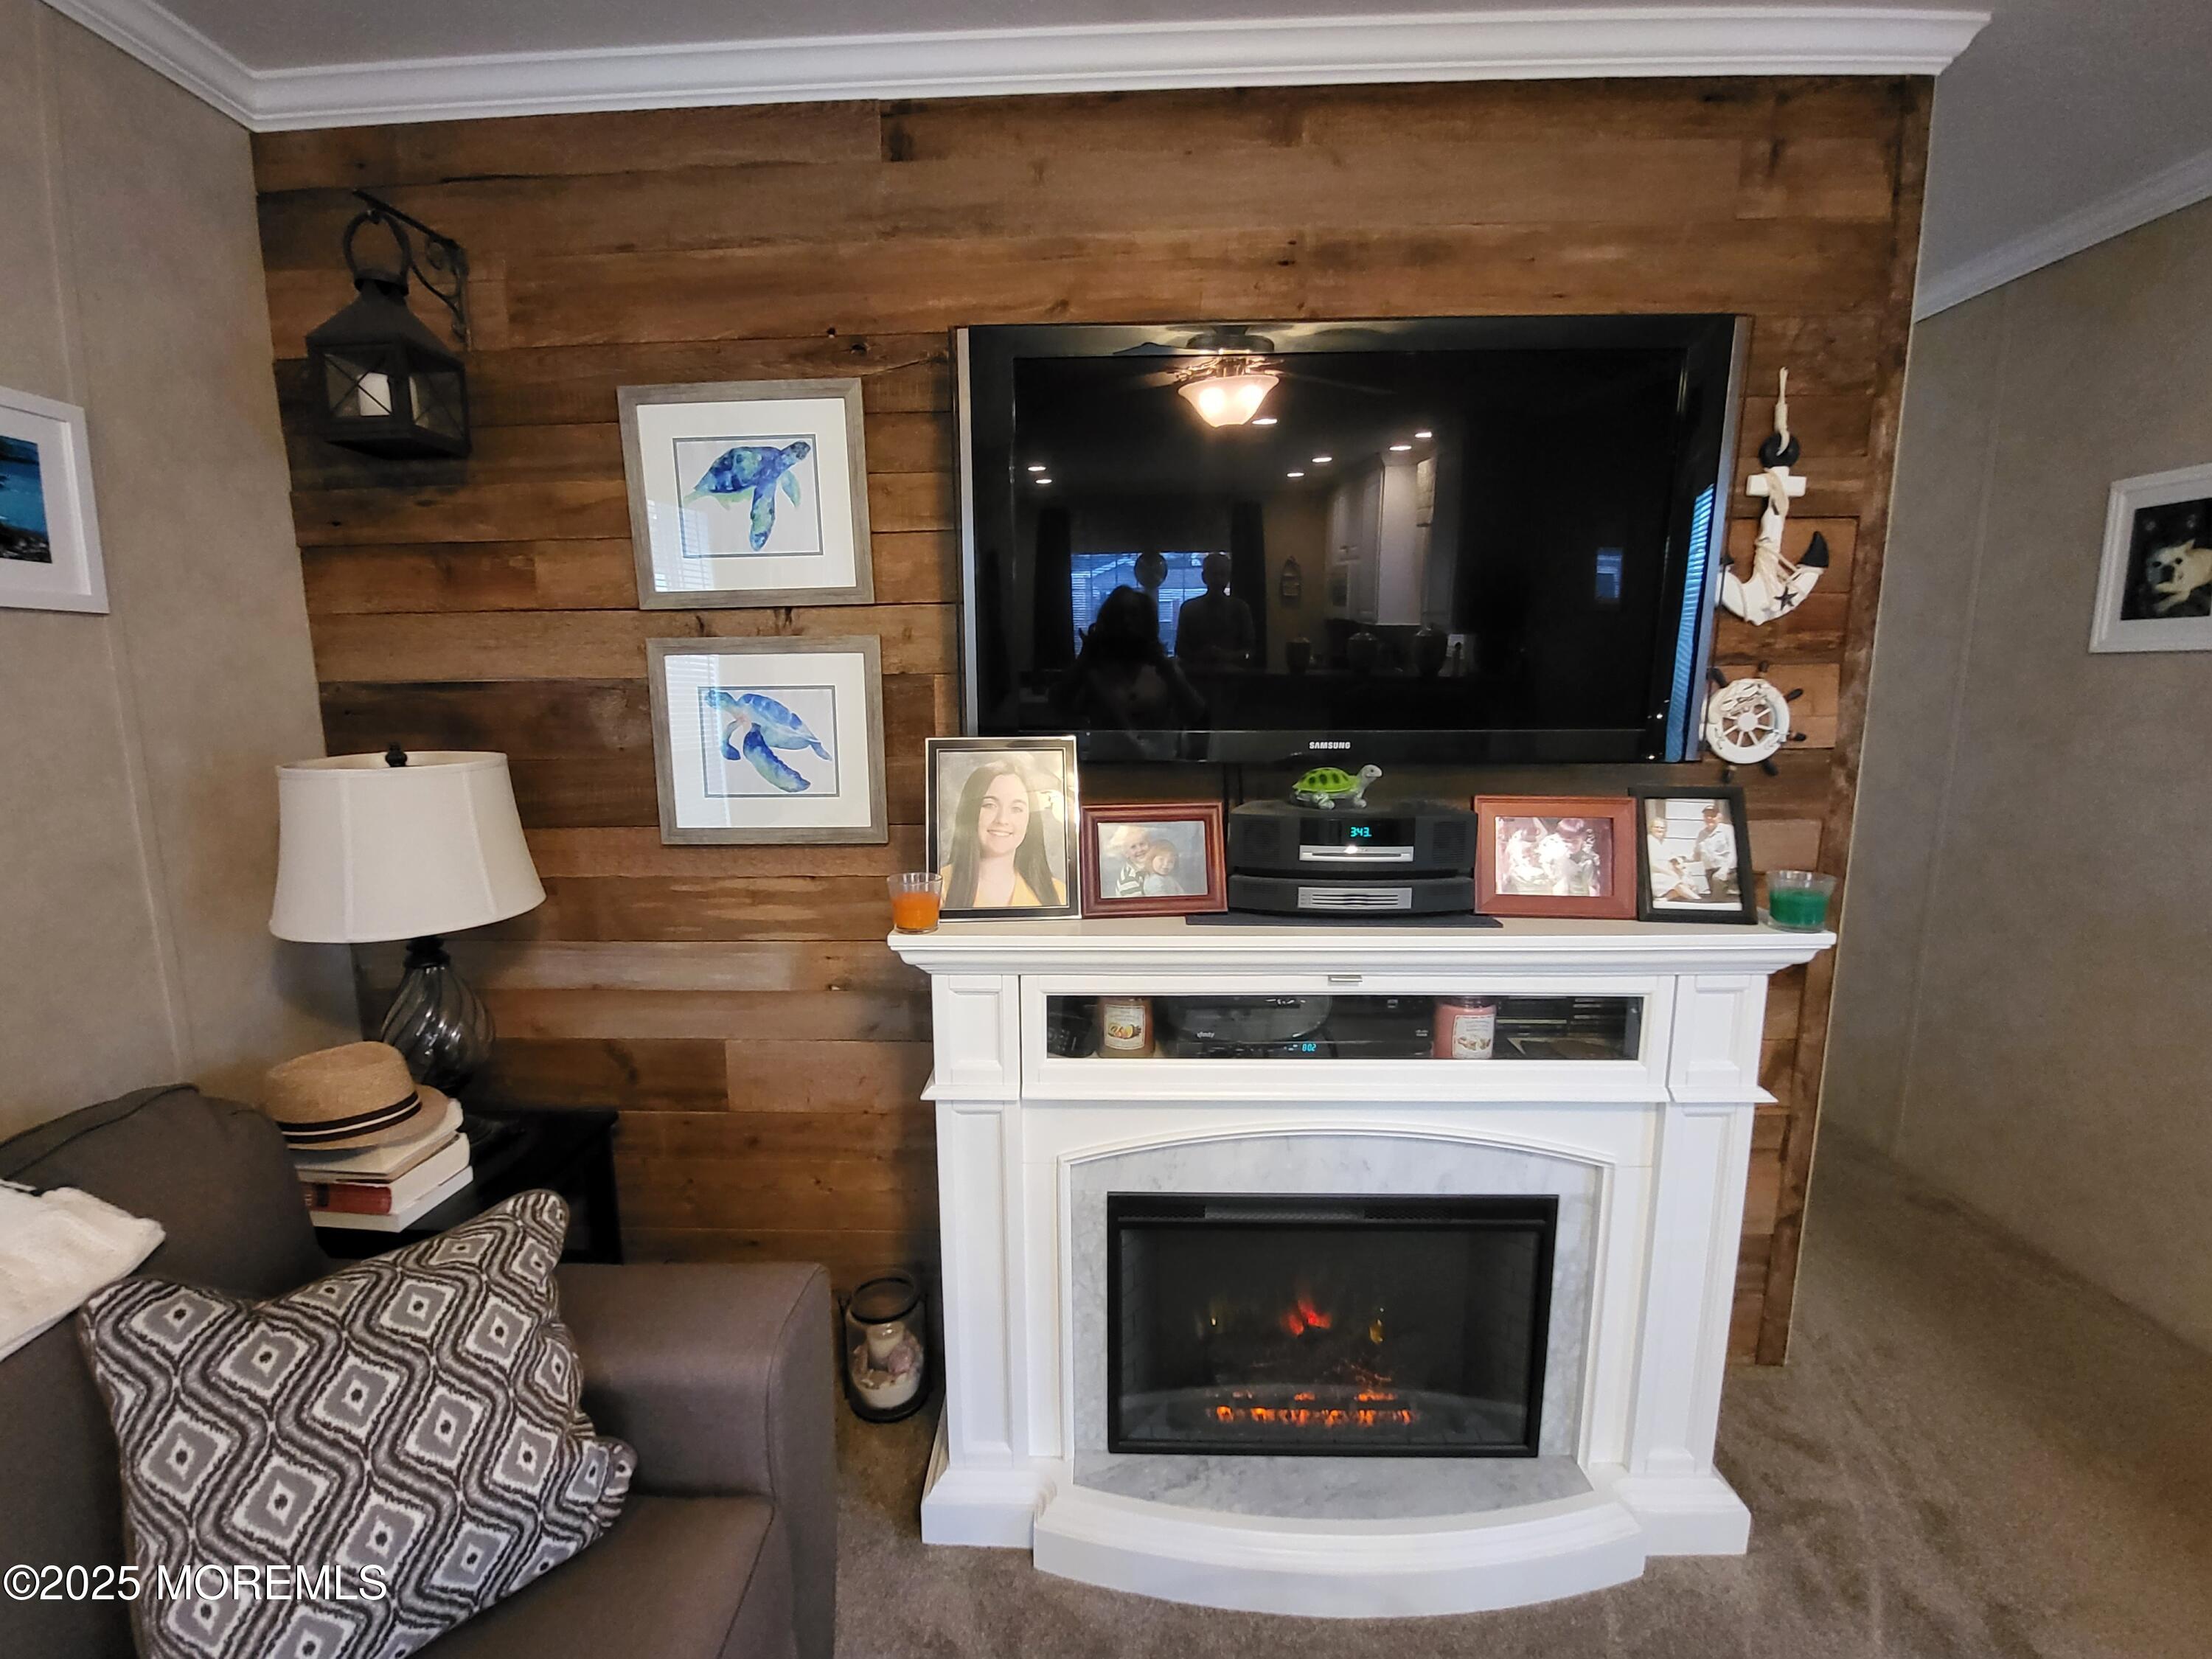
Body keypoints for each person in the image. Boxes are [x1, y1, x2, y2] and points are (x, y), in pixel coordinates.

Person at [939, 761, 1066, 909]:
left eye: (1017, 808)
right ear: (970, 812)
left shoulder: (1059, 895)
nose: (1002, 820)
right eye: (990, 805)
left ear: (1030, 821)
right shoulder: (937, 890)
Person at [1174, 552, 1256, 669]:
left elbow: (1250, 651)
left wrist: (1226, 656)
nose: (1217, 579)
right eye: (1213, 574)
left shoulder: (1240, 609)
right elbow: (1180, 649)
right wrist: (1202, 656)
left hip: (1232, 678)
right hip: (1199, 676)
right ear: (1204, 577)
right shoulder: (1189, 609)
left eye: (1222, 574)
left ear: (1228, 577)